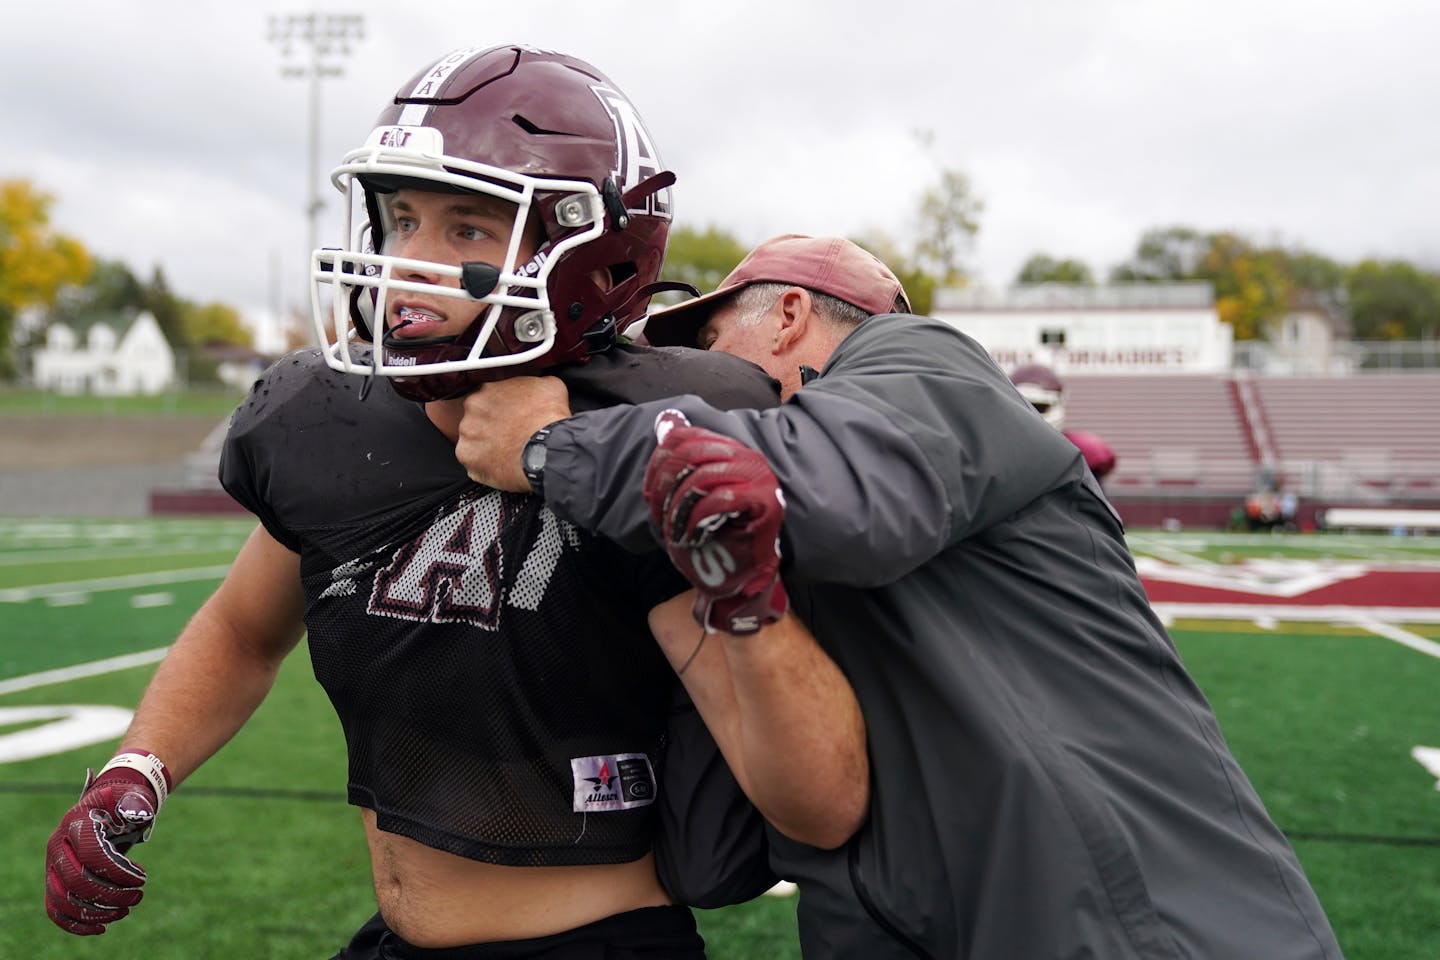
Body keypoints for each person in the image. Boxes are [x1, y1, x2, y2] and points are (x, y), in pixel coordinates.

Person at [43, 48, 868, 959]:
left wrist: (741, 585)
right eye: (401, 220)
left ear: (588, 247)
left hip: (588, 942)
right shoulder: (328, 416)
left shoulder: (641, 438)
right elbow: (244, 630)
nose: (410, 264)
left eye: (470, 231)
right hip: (393, 938)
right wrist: (138, 768)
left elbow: (818, 804)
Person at [446, 234, 1346, 959]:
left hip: (1128, 921)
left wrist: (553, 447)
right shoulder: (779, 526)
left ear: (792, 313)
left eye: (714, 349)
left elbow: (840, 497)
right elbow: (711, 854)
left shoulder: (927, 360)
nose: (703, 383)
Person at [1008, 361, 1118, 483]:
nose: (1031, 415)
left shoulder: (1081, 452)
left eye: (1039, 407)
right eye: (1022, 407)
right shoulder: (998, 451)